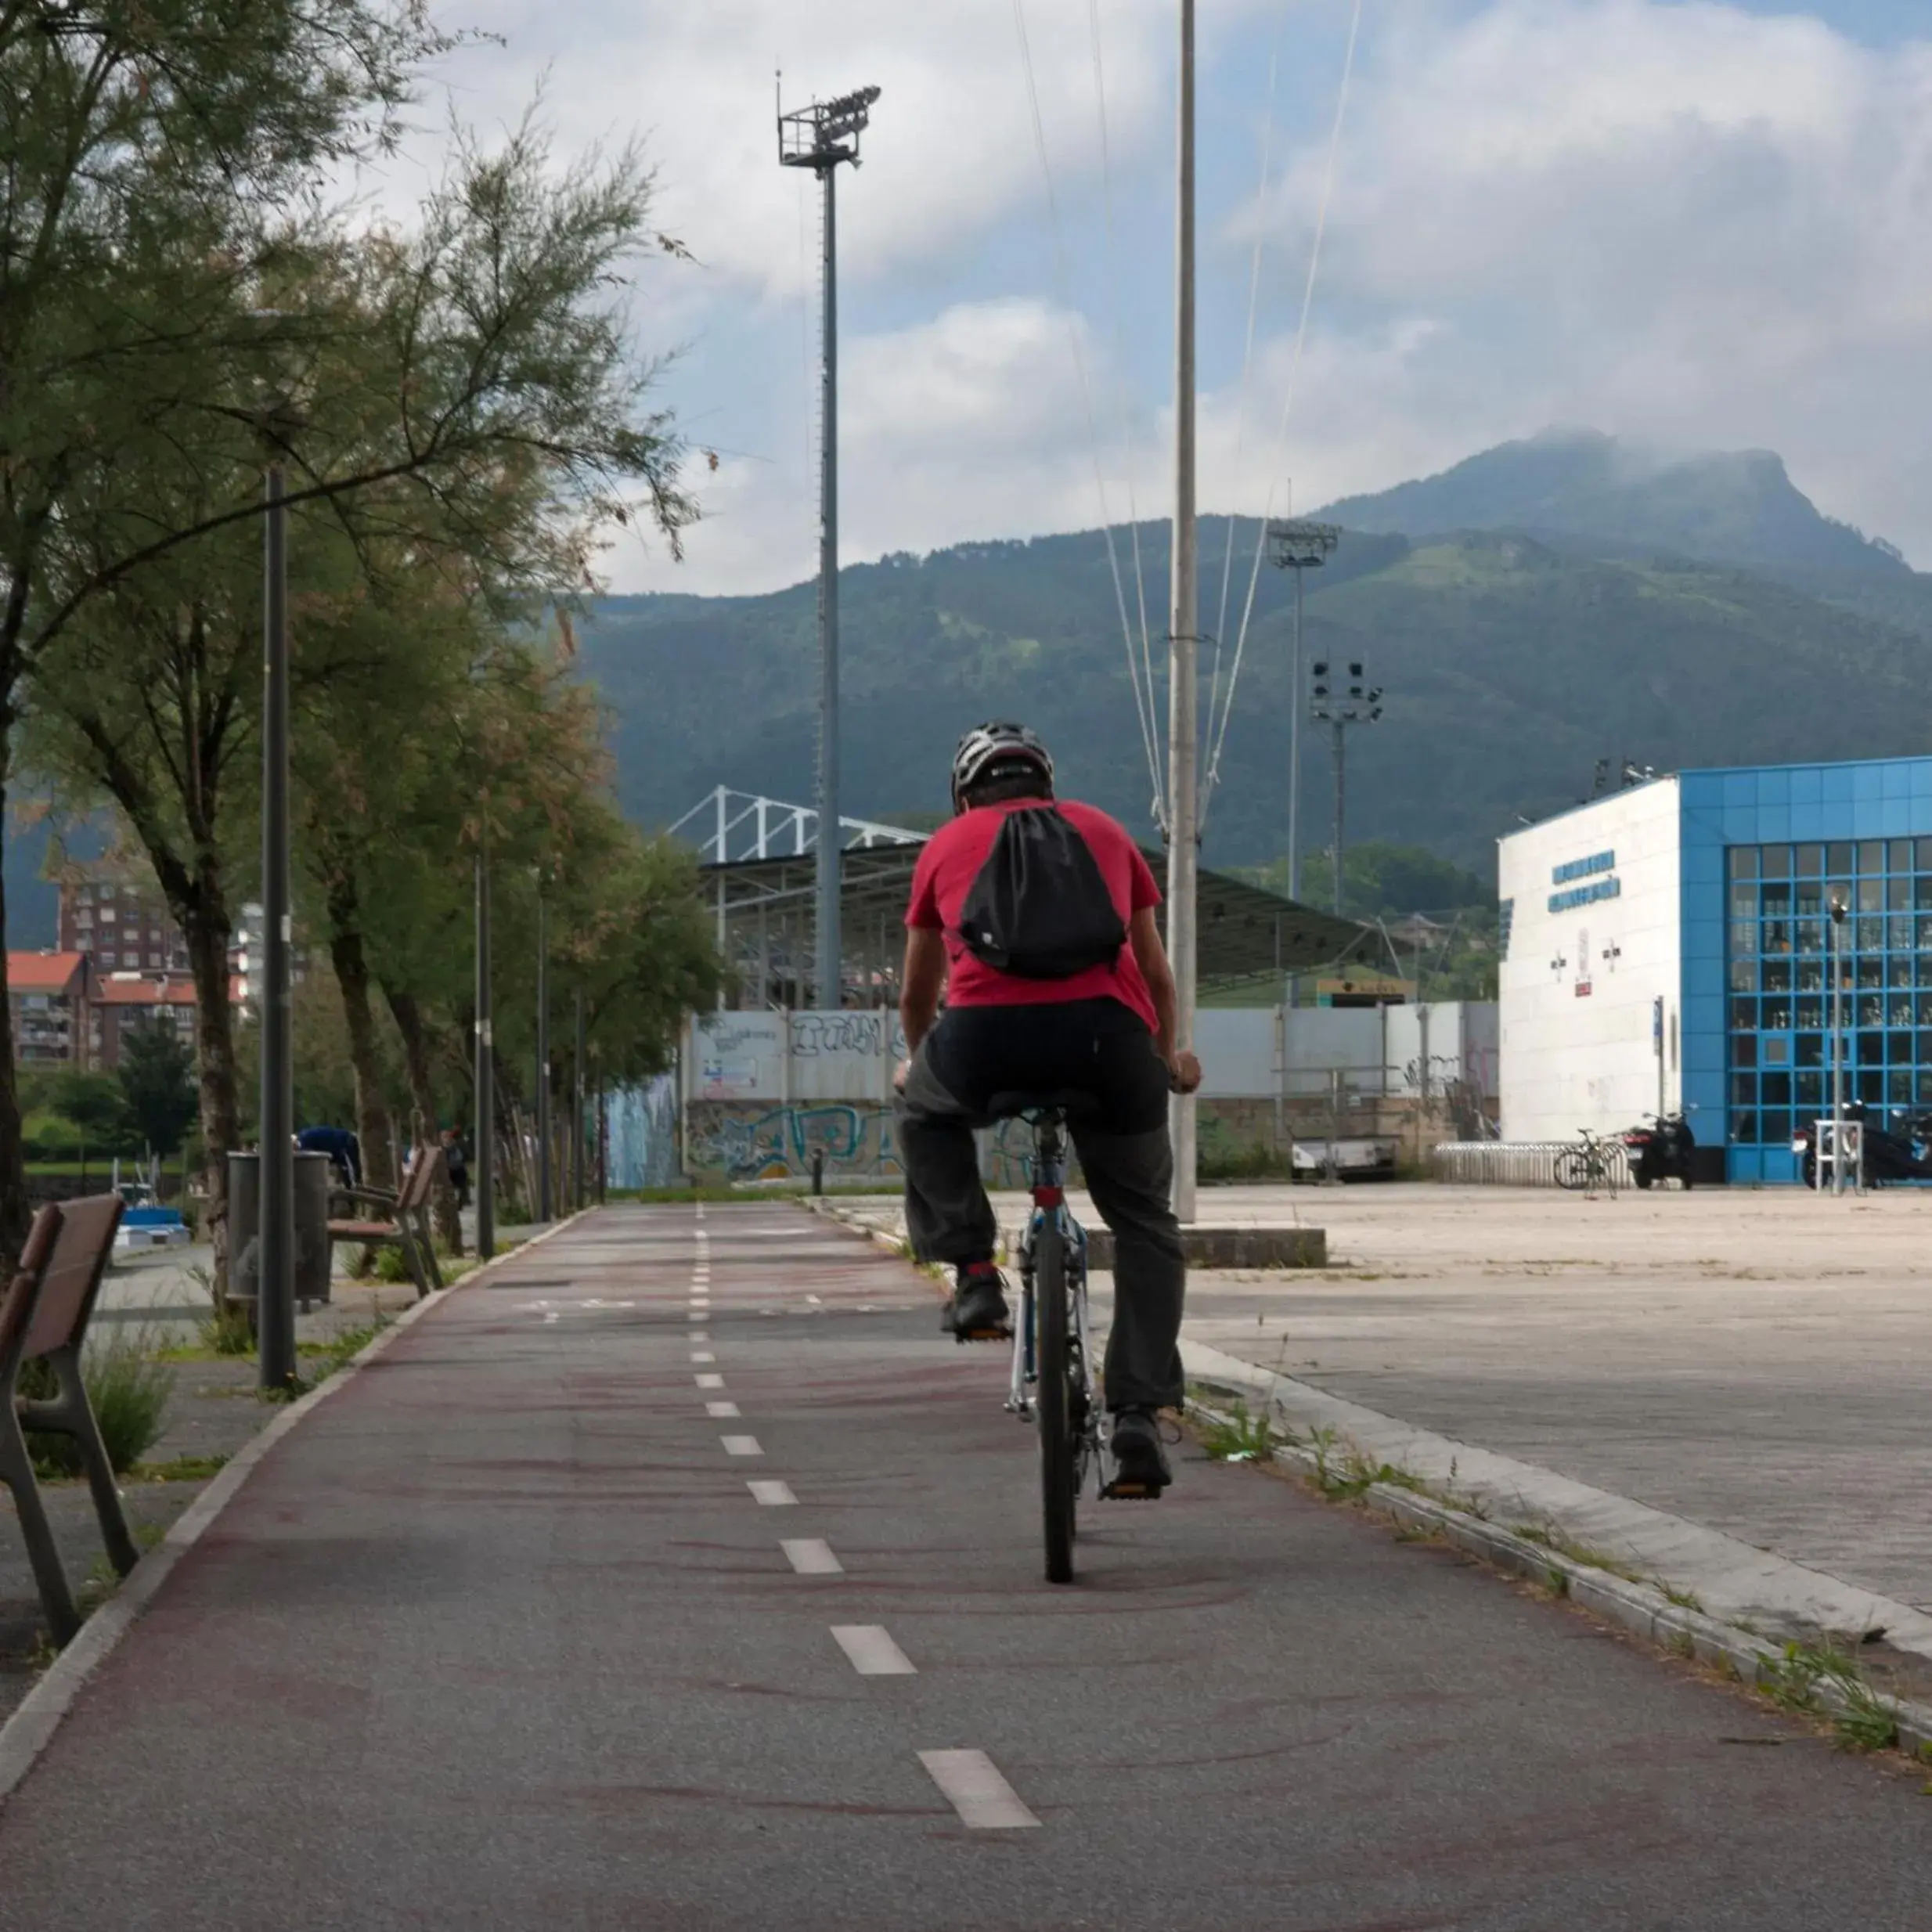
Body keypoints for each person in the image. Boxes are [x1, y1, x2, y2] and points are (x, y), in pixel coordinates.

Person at [896, 721, 1202, 1494]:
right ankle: (1137, 1409)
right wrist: (1165, 1057)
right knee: (1143, 1224)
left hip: (983, 1042)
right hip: (1107, 1045)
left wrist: (920, 1062)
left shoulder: (945, 843)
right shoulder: (1103, 830)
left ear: (966, 792)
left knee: (922, 1114)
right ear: (1046, 784)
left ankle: (973, 1276)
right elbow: (1156, 978)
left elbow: (914, 993)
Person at [441, 1126, 470, 1210]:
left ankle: (458, 1203)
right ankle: (455, 1203)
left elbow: (463, 1156)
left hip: (456, 1169)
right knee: (454, 1188)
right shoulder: (447, 1147)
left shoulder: (454, 1145)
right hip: (453, 1169)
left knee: (459, 1187)